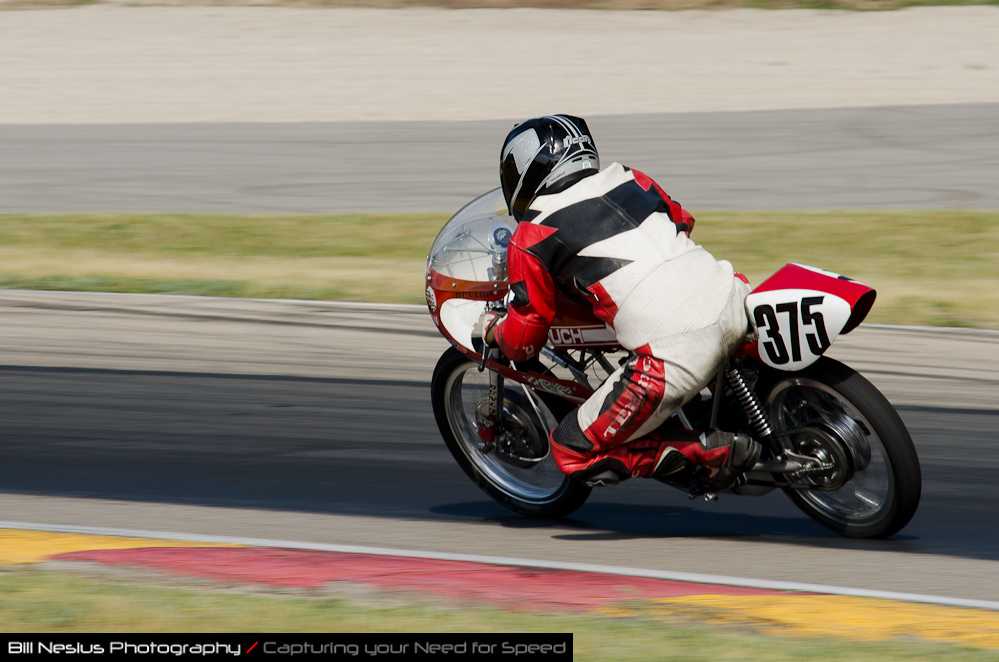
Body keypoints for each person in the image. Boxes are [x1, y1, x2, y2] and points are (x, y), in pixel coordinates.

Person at [477, 114, 761, 492]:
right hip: (733, 294)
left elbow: (526, 337)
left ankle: (707, 454)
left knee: (569, 451)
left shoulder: (531, 234)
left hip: (674, 353)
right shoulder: (630, 176)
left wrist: (494, 331)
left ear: (531, 167)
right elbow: (681, 220)